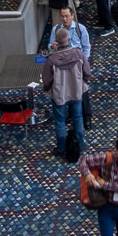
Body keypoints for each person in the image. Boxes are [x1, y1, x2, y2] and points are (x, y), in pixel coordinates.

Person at [41, 24, 88, 160]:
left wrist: (47, 88)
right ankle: (79, 144)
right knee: (78, 118)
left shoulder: (51, 59)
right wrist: (83, 81)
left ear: (56, 42)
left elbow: (47, 78)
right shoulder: (78, 53)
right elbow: (87, 72)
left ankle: (61, 148)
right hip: (76, 91)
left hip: (59, 93)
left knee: (60, 121)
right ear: (68, 39)